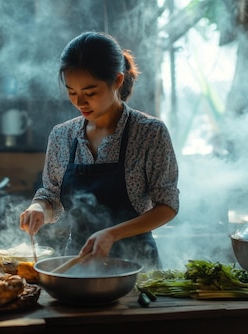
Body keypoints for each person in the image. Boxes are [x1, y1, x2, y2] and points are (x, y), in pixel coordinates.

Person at [19, 31, 179, 270]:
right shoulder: (62, 136)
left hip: (136, 266)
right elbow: (52, 198)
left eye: (90, 93)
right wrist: (38, 209)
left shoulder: (149, 133)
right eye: (72, 92)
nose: (80, 103)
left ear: (117, 81)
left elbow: (167, 206)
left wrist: (112, 234)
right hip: (76, 264)